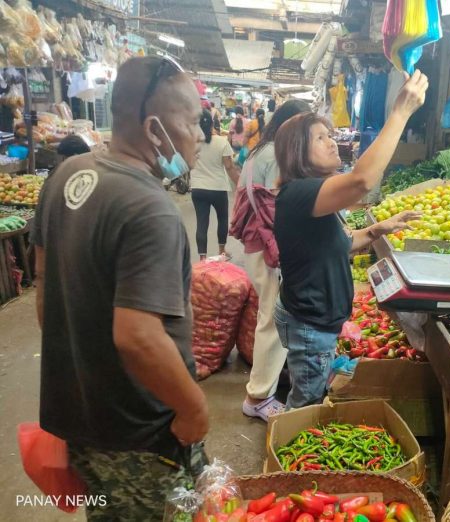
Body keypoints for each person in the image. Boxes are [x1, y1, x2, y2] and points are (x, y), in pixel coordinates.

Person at [31, 56, 209, 520]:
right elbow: (138, 336)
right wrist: (192, 409)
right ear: (155, 130)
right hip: (142, 436)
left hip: (85, 419)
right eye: (192, 122)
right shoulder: (149, 208)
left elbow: (46, 292)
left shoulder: (66, 176)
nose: (200, 136)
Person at [273, 71, 428, 409]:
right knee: (306, 405)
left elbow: (336, 244)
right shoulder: (299, 193)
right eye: (320, 138)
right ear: (298, 152)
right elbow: (362, 180)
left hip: (314, 321)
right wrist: (400, 113)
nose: (332, 142)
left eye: (331, 135)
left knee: (310, 394)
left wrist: (375, 230)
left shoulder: (315, 196)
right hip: (310, 324)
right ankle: (289, 456)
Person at [238, 99, 311, 421]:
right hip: (270, 248)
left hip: (257, 245)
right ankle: (258, 397)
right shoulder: (276, 154)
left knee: (272, 315)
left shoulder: (260, 151)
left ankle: (270, 381)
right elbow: (282, 207)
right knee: (273, 319)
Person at [191, 109, 239, 260]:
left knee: (201, 223)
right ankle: (222, 252)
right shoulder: (221, 142)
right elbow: (230, 167)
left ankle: (202, 259)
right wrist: (240, 185)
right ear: (213, 123)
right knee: (222, 219)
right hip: (218, 188)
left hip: (198, 188)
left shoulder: (192, 142)